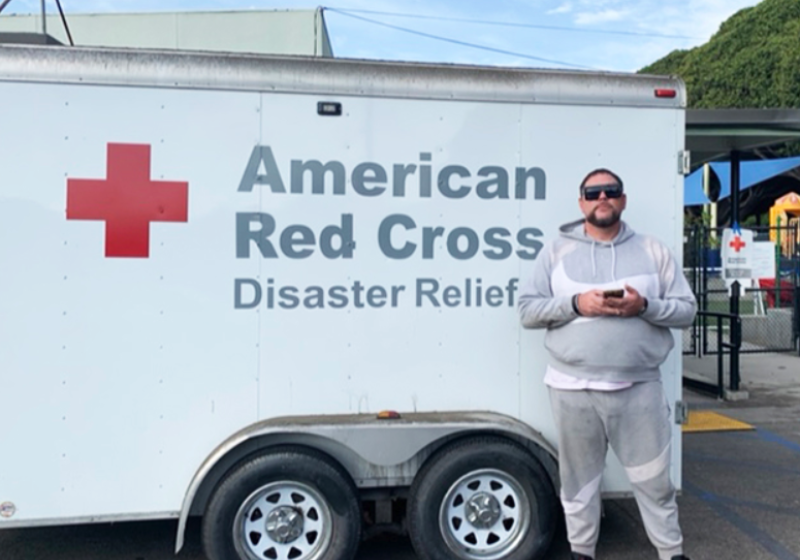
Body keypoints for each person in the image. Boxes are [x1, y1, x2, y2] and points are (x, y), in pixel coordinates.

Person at [518, 168, 697, 560]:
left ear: (623, 199)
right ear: (581, 202)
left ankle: (672, 553)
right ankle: (582, 553)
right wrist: (578, 304)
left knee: (655, 483)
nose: (603, 198)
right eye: (593, 192)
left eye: (611, 191)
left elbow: (687, 312)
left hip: (639, 388)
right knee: (578, 483)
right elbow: (528, 311)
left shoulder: (653, 250)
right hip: (571, 388)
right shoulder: (555, 251)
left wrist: (644, 306)